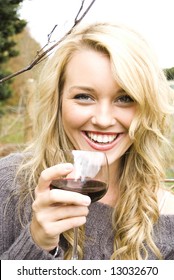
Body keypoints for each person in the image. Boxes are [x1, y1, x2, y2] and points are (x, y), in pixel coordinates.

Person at [0, 22, 174, 260]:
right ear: (58, 101)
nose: (103, 120)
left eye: (124, 98)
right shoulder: (11, 186)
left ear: (148, 107)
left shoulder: (167, 217)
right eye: (84, 97)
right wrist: (37, 244)